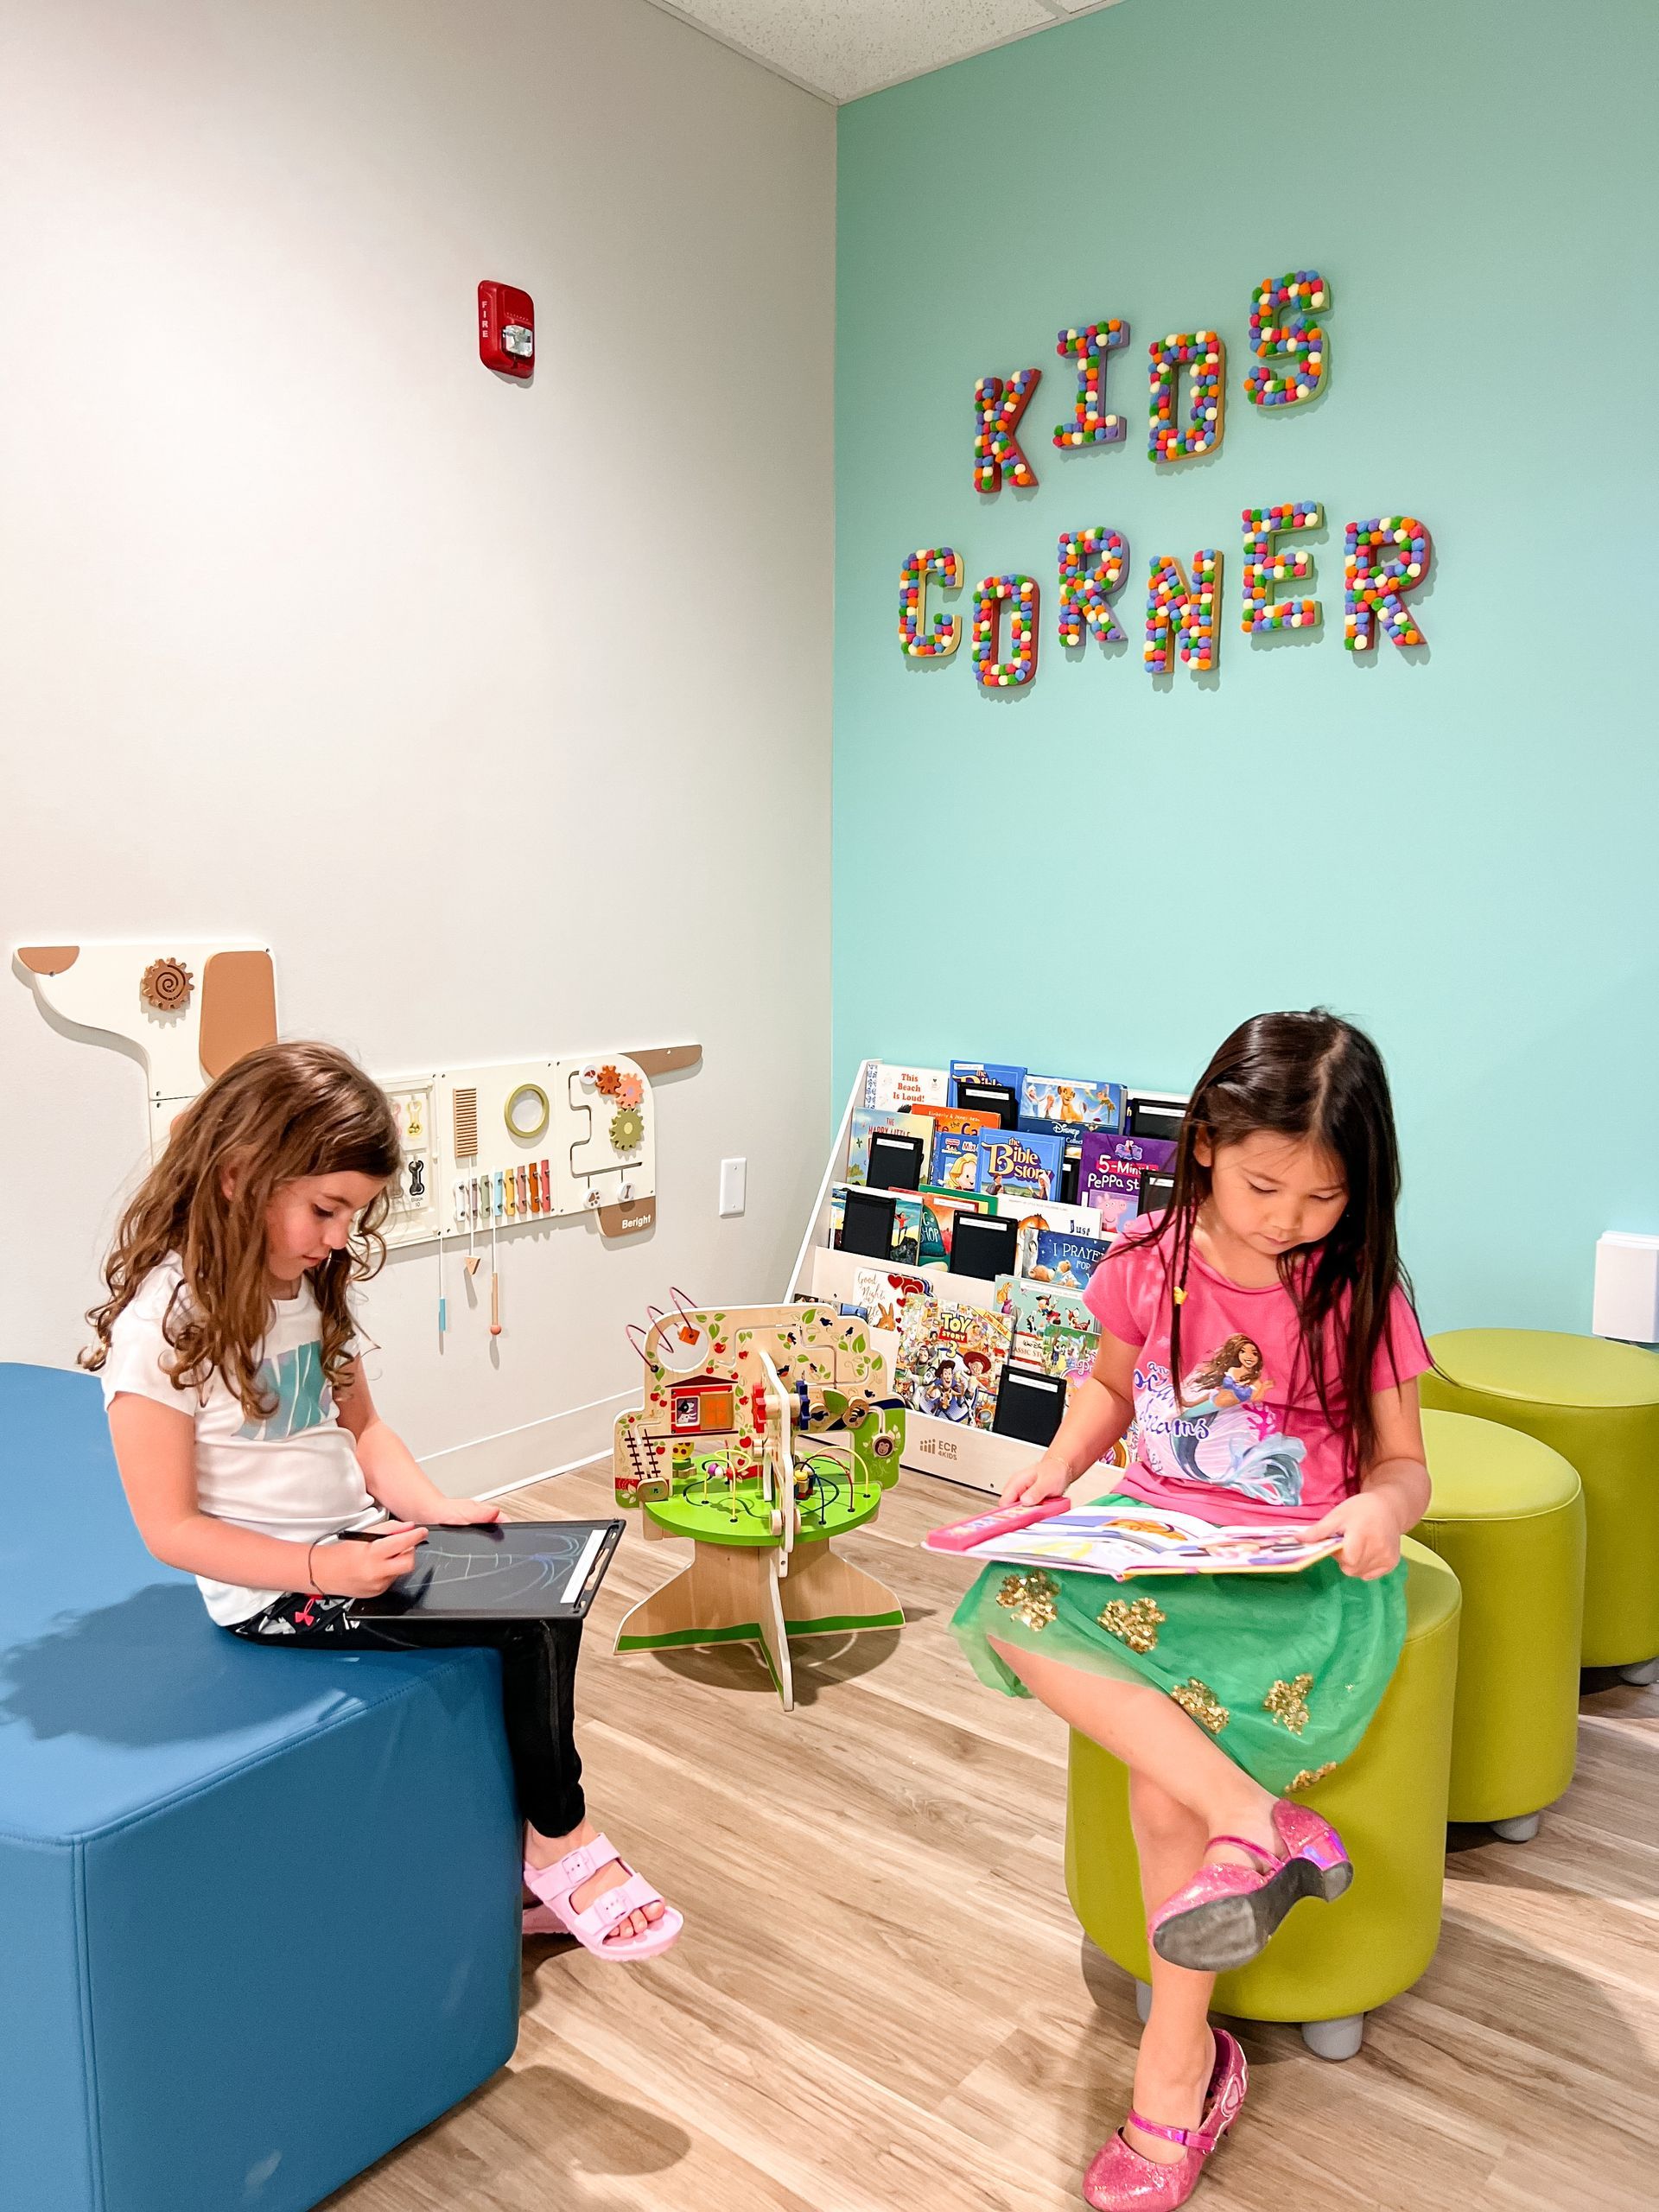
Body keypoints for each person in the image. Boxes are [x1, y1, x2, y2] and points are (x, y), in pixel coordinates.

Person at [950, 1011, 1432, 2209]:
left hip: (1295, 1573)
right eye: (1266, 1186)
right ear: (1208, 1141)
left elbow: (1403, 1463)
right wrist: (1059, 1468)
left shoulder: (1358, 1288)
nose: (1287, 1220)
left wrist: (1383, 1508)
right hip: (1157, 1544)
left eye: (1323, 1198)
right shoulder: (1147, 1261)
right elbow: (1110, 1391)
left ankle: (1178, 2073)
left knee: (1165, 1784)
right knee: (1002, 1597)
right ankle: (1257, 1821)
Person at [83, 1039, 680, 1962]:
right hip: (275, 1590)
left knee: (546, 1590)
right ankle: (560, 1840)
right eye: (325, 1210)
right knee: (525, 1629)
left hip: (358, 1538)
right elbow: (171, 1529)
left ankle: (536, 1853)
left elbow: (364, 1431)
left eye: (351, 1215)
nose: (337, 1239)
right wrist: (322, 1568)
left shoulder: (307, 1287)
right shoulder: (164, 1328)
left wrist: (433, 1506)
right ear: (240, 1175)